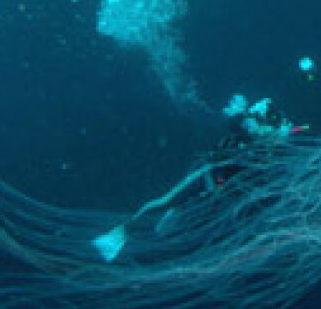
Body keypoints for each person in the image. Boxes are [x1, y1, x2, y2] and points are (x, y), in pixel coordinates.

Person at [92, 94, 308, 263]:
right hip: (208, 177)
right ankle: (121, 233)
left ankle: (145, 239)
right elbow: (237, 128)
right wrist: (245, 118)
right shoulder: (249, 131)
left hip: (222, 194)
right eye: (257, 116)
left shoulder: (268, 143)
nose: (256, 122)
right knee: (169, 202)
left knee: (176, 215)